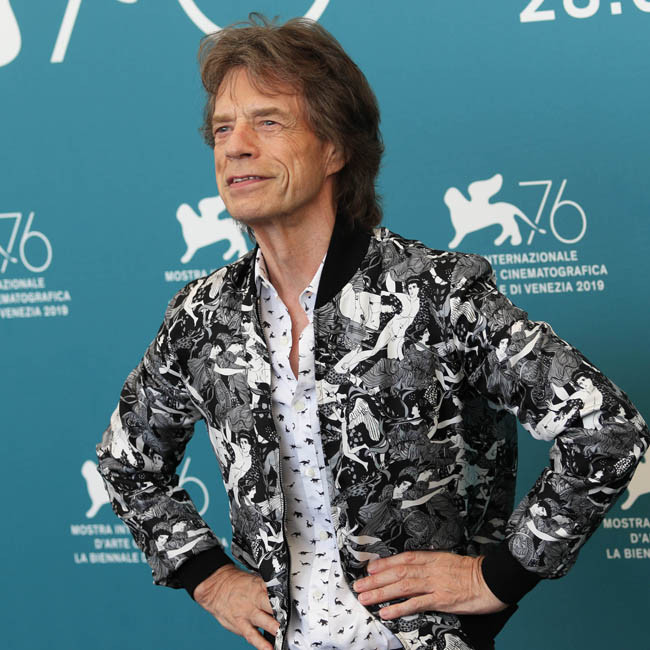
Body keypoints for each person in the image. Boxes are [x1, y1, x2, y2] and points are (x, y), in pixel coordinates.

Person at [96, 14, 648, 650]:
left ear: (335, 149)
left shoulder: (435, 292)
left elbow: (606, 427)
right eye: (223, 127)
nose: (236, 146)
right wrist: (207, 576)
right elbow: (126, 461)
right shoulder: (202, 315)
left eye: (268, 122)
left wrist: (498, 576)